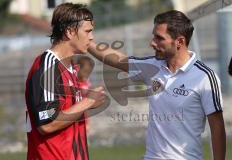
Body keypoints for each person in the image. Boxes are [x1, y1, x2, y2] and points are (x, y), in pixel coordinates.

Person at [88, 10, 226, 160]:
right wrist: (85, 41)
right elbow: (117, 59)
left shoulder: (204, 77)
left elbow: (217, 128)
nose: (152, 42)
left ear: (179, 41)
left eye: (159, 38)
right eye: (154, 36)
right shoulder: (152, 66)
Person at [25, 3, 105, 160]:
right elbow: (47, 123)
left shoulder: (71, 68)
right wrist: (87, 102)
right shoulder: (48, 67)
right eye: (88, 31)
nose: (92, 36)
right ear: (69, 32)